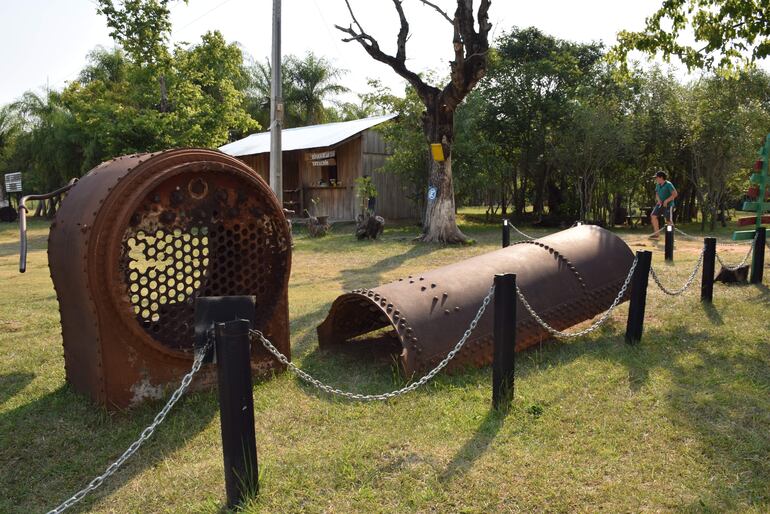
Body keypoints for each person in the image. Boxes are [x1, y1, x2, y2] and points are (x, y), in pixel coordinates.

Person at [650, 170, 678, 238]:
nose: (656, 179)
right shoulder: (658, 185)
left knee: (668, 221)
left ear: (661, 177)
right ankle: (657, 234)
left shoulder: (668, 184)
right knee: (653, 216)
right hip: (660, 204)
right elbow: (656, 193)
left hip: (669, 205)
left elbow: (675, 194)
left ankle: (670, 237)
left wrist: (666, 201)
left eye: (657, 177)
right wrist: (659, 200)